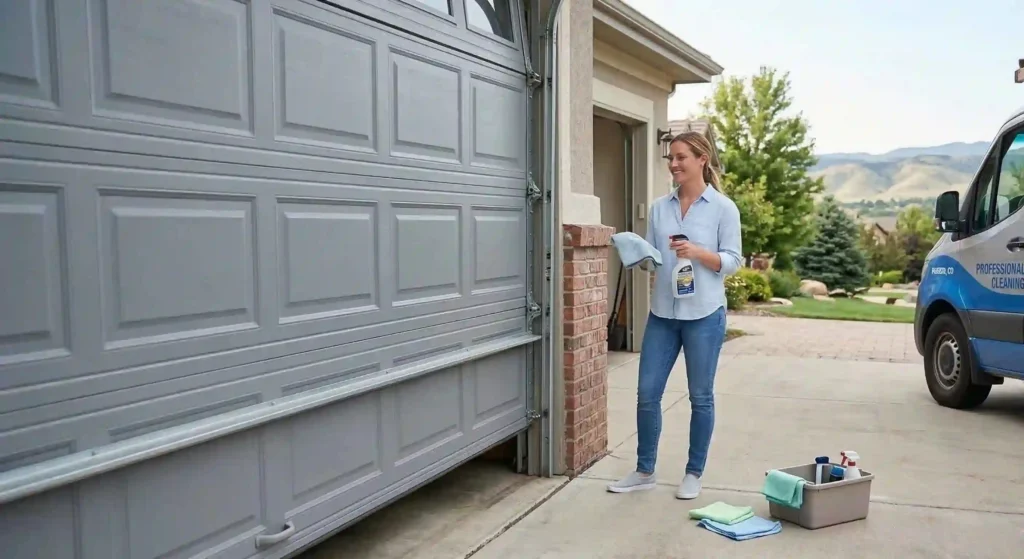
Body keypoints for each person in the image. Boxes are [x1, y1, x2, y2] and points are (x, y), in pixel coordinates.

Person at [606, 131, 742, 499]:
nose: (674, 164)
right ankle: (644, 470)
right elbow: (655, 260)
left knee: (701, 396)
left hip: (704, 314)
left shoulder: (723, 208)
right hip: (663, 314)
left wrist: (698, 253)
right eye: (670, 158)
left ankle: (693, 473)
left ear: (702, 159)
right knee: (647, 393)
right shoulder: (659, 208)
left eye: (681, 157)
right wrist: (640, 255)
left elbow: (733, 261)